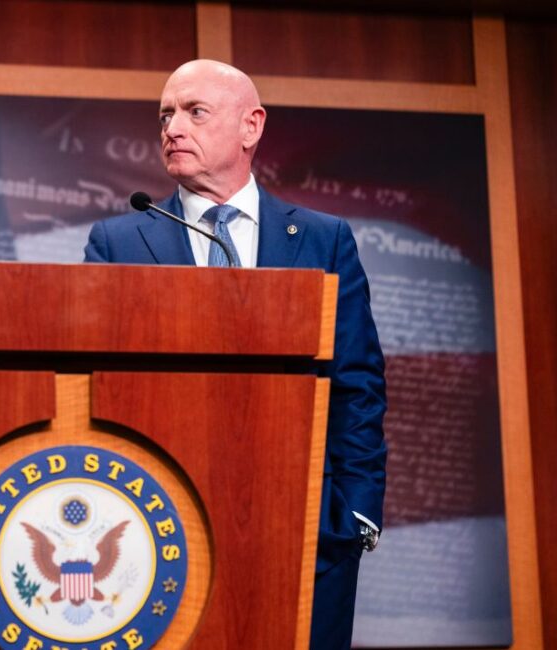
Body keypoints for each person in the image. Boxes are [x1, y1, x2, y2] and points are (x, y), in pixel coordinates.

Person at [84, 59, 386, 649]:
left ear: (251, 126)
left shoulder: (324, 239)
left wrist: (357, 513)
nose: (172, 127)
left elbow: (358, 383)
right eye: (165, 114)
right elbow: (99, 384)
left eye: (195, 112)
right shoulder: (119, 242)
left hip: (305, 526)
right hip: (159, 524)